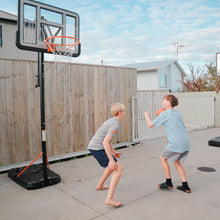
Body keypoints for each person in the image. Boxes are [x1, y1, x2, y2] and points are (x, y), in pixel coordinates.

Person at [144, 95, 191, 193]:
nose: (162, 102)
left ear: (169, 103)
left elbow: (150, 125)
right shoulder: (178, 114)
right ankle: (185, 186)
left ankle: (168, 183)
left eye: (163, 101)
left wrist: (146, 116)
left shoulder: (164, 114)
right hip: (186, 141)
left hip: (176, 142)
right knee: (176, 162)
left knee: (163, 158)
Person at [88, 103, 126, 206]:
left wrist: (114, 152)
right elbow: (105, 142)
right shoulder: (115, 124)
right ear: (120, 113)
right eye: (124, 111)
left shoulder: (112, 121)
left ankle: (100, 186)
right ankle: (109, 199)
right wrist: (111, 159)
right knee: (118, 169)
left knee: (111, 167)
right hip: (97, 148)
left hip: (97, 147)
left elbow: (108, 140)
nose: (125, 113)